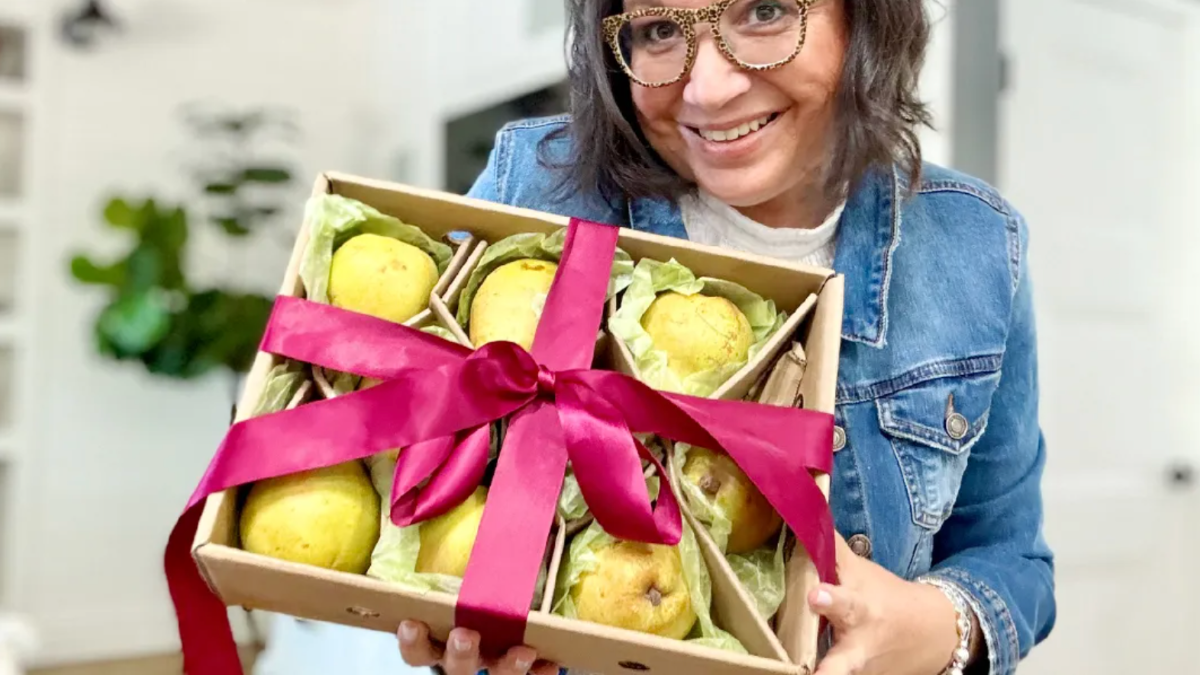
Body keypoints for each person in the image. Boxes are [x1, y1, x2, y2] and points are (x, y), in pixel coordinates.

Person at [268, 1, 1056, 674]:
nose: (708, 89)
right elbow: (397, 459)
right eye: (656, 30)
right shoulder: (540, 189)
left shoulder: (974, 246)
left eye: (765, 11)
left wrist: (941, 627)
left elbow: (1010, 559)